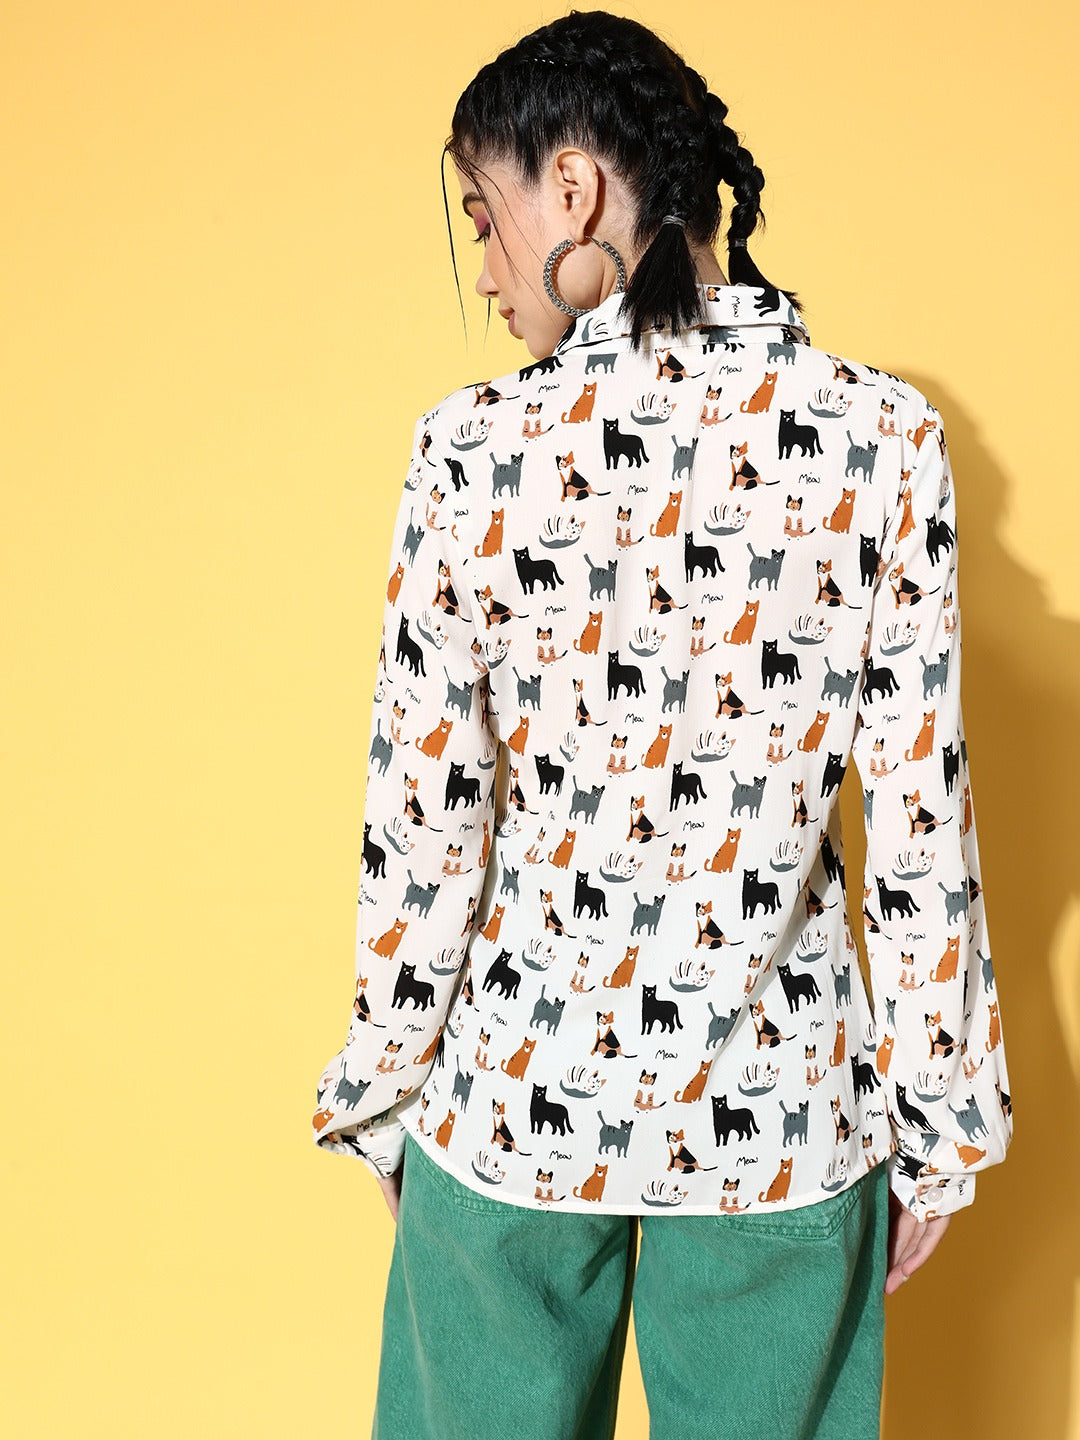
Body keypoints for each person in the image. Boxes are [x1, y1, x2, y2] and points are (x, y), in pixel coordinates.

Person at [310, 11, 1014, 1438]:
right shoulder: (883, 440)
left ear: (573, 190)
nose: (486, 270)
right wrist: (939, 1127)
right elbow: (916, 821)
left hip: (513, 1106)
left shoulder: (471, 453)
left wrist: (382, 1086)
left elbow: (424, 822)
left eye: (484, 217)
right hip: (782, 1119)